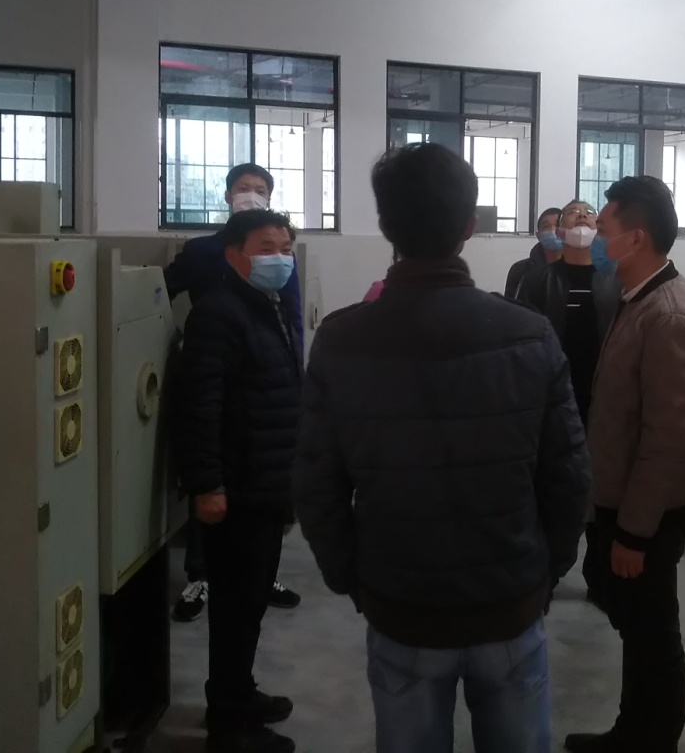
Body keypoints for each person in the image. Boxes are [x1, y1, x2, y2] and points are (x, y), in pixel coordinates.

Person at [295, 143, 591, 753]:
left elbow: (317, 482)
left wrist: (354, 579)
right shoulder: (527, 334)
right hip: (509, 603)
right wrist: (543, 574)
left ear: (385, 226)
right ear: (468, 226)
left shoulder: (342, 340)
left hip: (401, 606)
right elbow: (568, 477)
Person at [565, 175, 685, 753]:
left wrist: (634, 531)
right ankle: (632, 732)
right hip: (623, 500)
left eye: (603, 229)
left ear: (636, 238)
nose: (595, 239)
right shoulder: (639, 300)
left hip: (647, 513)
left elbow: (670, 438)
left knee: (653, 633)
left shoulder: (670, 315)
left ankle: (652, 741)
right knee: (636, 627)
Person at [174, 209, 303, 753]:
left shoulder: (267, 306)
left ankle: (238, 692)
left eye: (286, 249)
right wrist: (207, 485)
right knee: (234, 609)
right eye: (266, 249)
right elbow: (199, 406)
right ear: (234, 256)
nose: (280, 259)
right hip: (239, 487)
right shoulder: (218, 314)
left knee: (248, 606)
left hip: (266, 482)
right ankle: (229, 725)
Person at [164, 162, 303, 622]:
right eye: (244, 188)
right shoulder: (204, 252)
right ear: (228, 195)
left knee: (265, 498)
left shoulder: (280, 257)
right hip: (221, 376)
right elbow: (156, 293)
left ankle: (264, 576)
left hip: (267, 382)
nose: (252, 194)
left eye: (260, 189)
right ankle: (200, 575)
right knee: (216, 483)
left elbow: (292, 317)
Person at [519, 199, 620, 610]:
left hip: (602, 399)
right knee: (551, 487)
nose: (581, 216)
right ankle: (544, 574)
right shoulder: (540, 279)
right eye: (572, 213)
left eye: (589, 212)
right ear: (559, 230)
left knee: (602, 489)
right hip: (554, 400)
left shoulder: (614, 280)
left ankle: (600, 578)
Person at [504, 206, 563, 299]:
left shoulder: (578, 269)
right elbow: (511, 305)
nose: (553, 230)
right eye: (546, 226)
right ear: (538, 235)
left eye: (558, 225)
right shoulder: (520, 269)